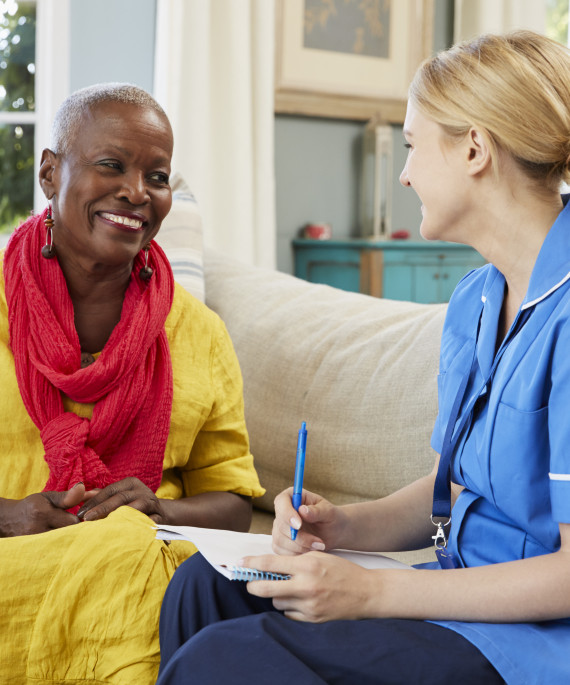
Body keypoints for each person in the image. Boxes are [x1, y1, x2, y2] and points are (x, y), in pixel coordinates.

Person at [155, 30, 570, 685]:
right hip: (454, 593)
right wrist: (343, 527)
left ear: (474, 149)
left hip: (532, 644)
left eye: (411, 145)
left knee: (224, 659)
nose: (403, 173)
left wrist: (371, 591)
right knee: (204, 587)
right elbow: (453, 491)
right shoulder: (478, 300)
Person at [0, 83, 264, 683]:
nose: (137, 192)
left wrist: (159, 507)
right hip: (10, 564)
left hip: (139, 567)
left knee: (126, 550)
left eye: (158, 176)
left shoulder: (198, 334)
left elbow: (235, 505)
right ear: (49, 172)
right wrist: (11, 515)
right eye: (111, 166)